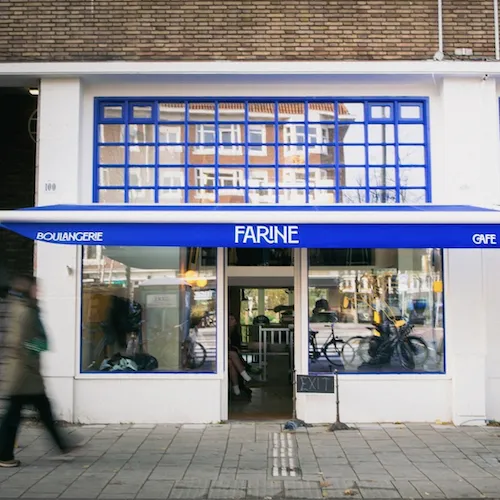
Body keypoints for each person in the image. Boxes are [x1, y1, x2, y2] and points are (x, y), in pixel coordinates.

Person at [0, 275, 79, 467]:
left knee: (42, 411)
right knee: (14, 417)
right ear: (28, 290)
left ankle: (63, 446)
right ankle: (4, 456)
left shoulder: (25, 308)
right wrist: (37, 348)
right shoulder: (26, 311)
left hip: (26, 374)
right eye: (36, 288)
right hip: (23, 374)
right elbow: (19, 342)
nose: (39, 291)